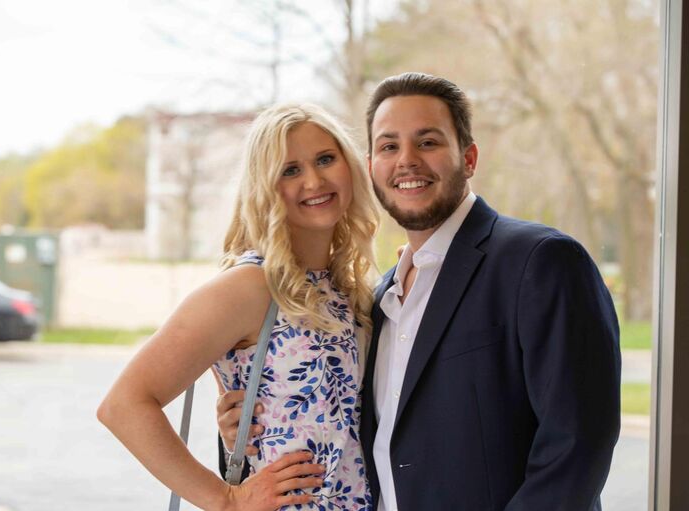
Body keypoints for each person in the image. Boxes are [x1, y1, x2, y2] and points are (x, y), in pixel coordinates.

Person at [218, 72, 621, 510]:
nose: (406, 160)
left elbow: (578, 444)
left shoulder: (540, 261)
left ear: (468, 158)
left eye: (427, 142)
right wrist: (250, 433)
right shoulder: (377, 296)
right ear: (371, 166)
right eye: (389, 146)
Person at [97, 103, 379, 511]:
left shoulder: (346, 290)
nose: (315, 180)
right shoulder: (251, 286)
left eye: (325, 159)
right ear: (265, 186)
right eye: (290, 170)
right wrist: (227, 499)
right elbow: (124, 405)